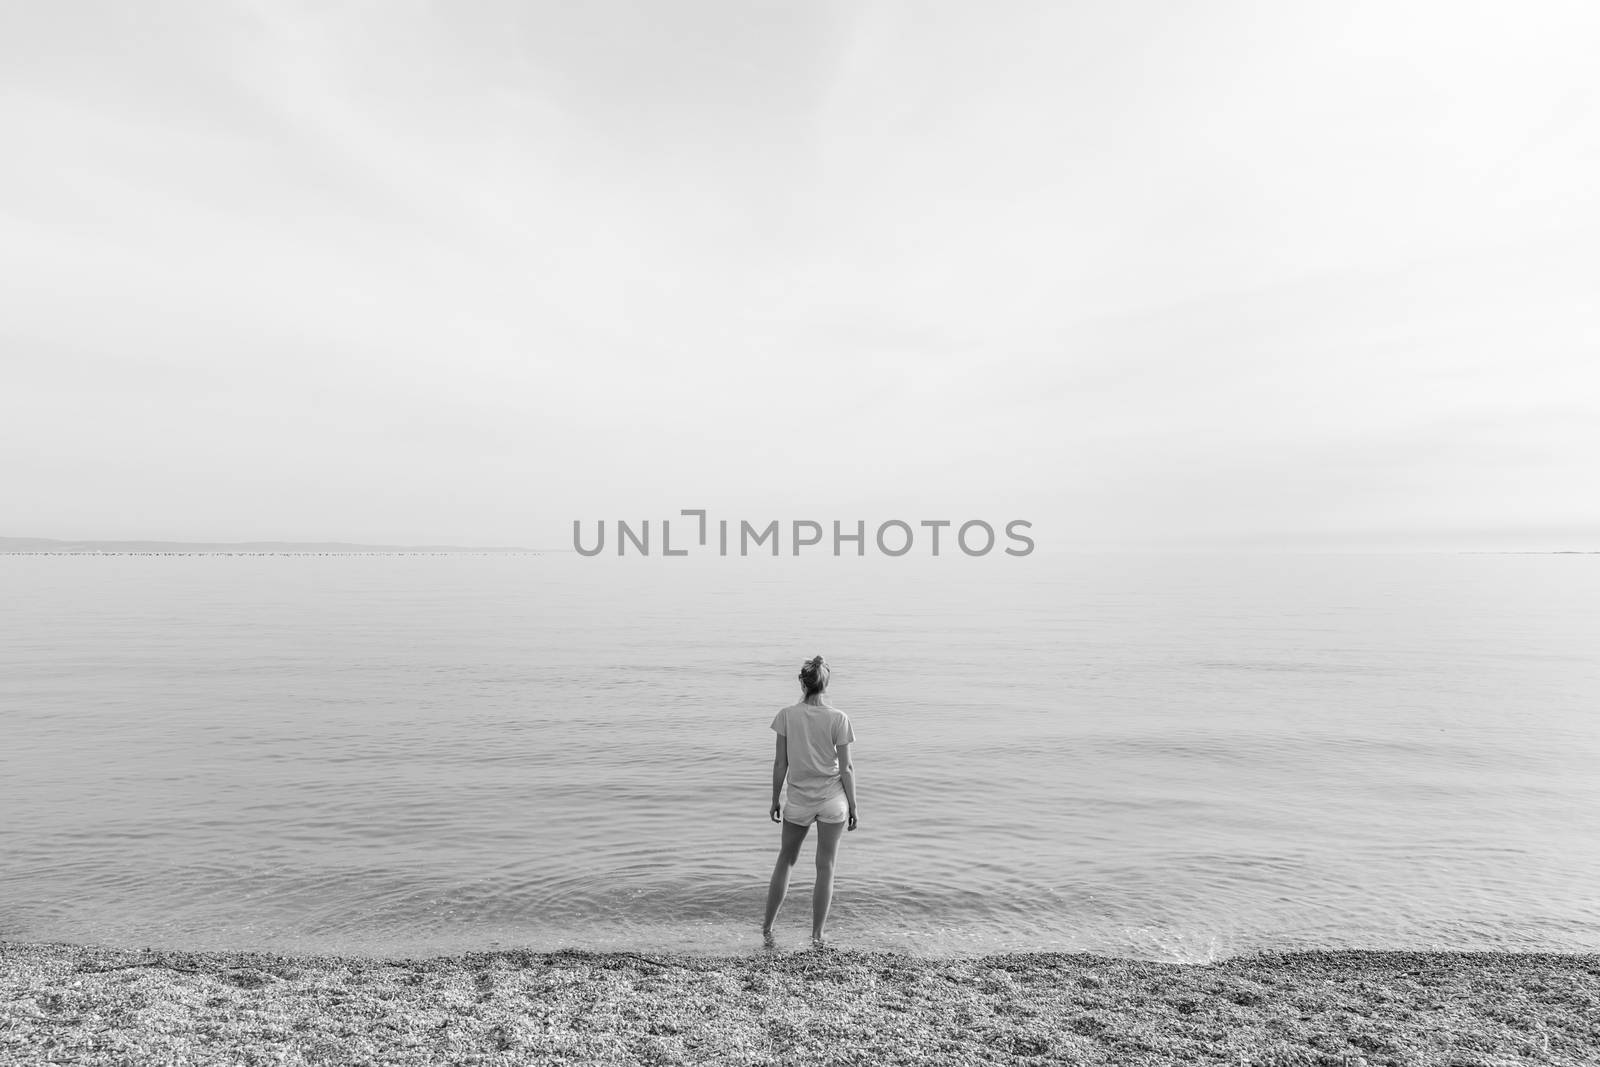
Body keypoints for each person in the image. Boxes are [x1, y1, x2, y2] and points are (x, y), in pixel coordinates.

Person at [762, 654, 858, 947]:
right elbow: (846, 768)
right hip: (832, 800)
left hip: (799, 800)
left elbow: (781, 764)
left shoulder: (786, 716)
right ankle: (817, 935)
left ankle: (767, 928)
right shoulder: (838, 718)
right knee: (826, 866)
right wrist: (853, 806)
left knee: (786, 861)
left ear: (802, 683)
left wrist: (775, 799)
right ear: (826, 685)